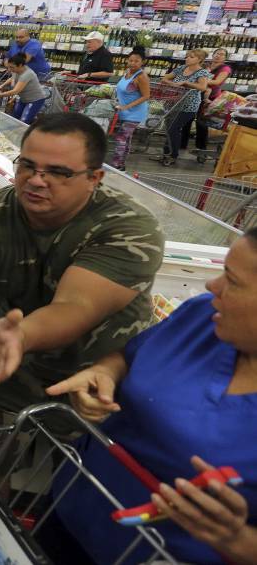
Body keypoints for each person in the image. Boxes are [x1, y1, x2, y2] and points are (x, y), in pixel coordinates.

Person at [0, 112, 164, 431]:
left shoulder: (129, 228)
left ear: (94, 178)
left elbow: (77, 306)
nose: (36, 180)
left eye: (58, 172)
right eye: (27, 165)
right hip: (7, 375)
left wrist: (21, 335)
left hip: (99, 386)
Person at [42, 227, 257, 565]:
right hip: (72, 509)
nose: (211, 286)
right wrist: (103, 373)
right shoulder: (203, 317)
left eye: (233, 280)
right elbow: (129, 356)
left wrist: (240, 542)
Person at [156, 49, 210, 167]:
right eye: (187, 56)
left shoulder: (202, 73)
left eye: (191, 57)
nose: (187, 58)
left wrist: (186, 83)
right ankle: (166, 154)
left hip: (188, 107)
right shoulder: (181, 68)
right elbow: (165, 78)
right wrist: (174, 84)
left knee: (173, 129)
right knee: (169, 129)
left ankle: (172, 155)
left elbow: (202, 87)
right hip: (173, 103)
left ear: (199, 60)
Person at [111, 47, 151, 171]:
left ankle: (116, 164)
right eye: (131, 60)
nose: (133, 63)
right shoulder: (127, 72)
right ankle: (121, 164)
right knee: (126, 139)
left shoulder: (141, 76)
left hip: (134, 113)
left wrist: (127, 106)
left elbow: (146, 96)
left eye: (136, 61)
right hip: (123, 112)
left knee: (121, 138)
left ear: (142, 62)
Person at [188, 47, 233, 153]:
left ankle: (201, 147)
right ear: (213, 54)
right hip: (195, 93)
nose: (218, 55)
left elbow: (217, 82)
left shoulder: (225, 68)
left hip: (210, 97)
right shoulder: (206, 65)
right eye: (217, 53)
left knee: (201, 122)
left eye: (222, 54)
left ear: (225, 58)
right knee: (188, 118)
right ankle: (182, 144)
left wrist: (200, 80)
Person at [0, 54, 47, 124]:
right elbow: (12, 78)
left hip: (35, 100)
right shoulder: (16, 70)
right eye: (9, 67)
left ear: (20, 65)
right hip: (23, 99)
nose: (9, 69)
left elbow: (15, 91)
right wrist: (2, 86)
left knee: (24, 121)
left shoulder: (27, 74)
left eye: (12, 67)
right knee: (15, 119)